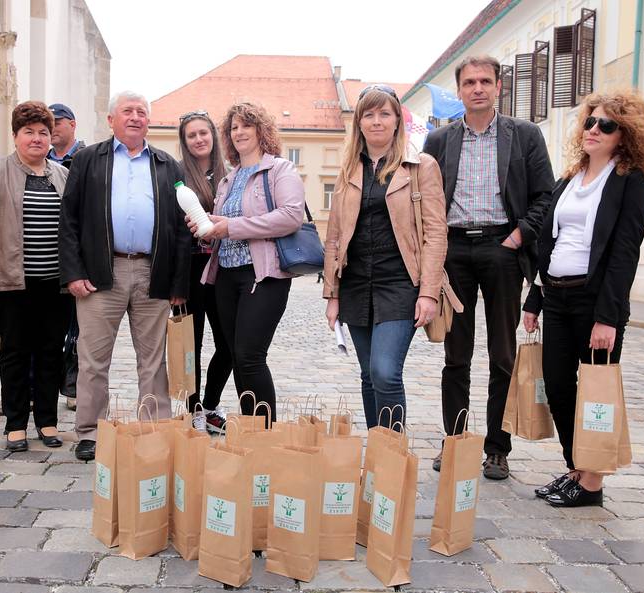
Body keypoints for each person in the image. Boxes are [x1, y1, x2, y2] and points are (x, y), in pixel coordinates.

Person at [522, 91, 644, 507]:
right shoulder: (569, 178)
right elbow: (550, 243)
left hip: (595, 301)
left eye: (606, 125)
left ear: (626, 135)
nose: (594, 130)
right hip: (558, 298)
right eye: (590, 122)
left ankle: (593, 482)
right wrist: (534, 300)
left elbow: (624, 254)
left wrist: (608, 318)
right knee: (559, 388)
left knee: (594, 393)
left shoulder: (631, 181)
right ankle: (575, 469)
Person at [422, 55, 554, 480]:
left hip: (502, 249)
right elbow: (424, 200)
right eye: (469, 82)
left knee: (502, 354)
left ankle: (498, 448)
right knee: (455, 355)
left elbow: (545, 197)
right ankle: (456, 442)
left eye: (485, 81)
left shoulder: (525, 135)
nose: (477, 88)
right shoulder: (439, 141)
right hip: (454, 252)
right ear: (459, 90)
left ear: (498, 86)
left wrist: (518, 236)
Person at [60, 91, 191, 461]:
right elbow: (68, 220)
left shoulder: (167, 165)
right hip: (102, 272)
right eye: (127, 111)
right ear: (111, 119)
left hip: (153, 272)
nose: (135, 117)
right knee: (93, 358)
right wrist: (73, 272)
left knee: (153, 360)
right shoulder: (87, 160)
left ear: (148, 121)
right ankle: (90, 432)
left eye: (142, 112)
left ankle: (154, 428)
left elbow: (182, 229)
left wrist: (178, 284)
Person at [323, 85, 447, 429]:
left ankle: (391, 455)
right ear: (359, 122)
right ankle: (380, 460)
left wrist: (429, 292)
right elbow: (334, 237)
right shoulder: (349, 170)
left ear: (397, 121)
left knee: (385, 372)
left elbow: (436, 233)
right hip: (356, 285)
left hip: (401, 284)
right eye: (369, 114)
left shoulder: (421, 166)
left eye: (384, 114)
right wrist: (332, 294)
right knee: (368, 375)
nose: (376, 121)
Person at [0, 101, 71, 452]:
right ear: (15, 136)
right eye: (29, 132)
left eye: (43, 132)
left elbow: (73, 231)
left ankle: (47, 421)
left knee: (51, 352)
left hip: (54, 285)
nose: (37, 138)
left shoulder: (62, 175)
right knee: (15, 353)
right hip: (11, 284)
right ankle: (15, 423)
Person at [190, 102, 304, 424]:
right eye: (233, 128)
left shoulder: (280, 169)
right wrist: (208, 224)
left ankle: (265, 435)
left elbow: (291, 216)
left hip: (263, 276)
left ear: (261, 130)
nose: (238, 132)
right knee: (238, 359)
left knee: (251, 357)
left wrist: (231, 226)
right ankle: (251, 431)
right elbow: (226, 224)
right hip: (226, 275)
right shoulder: (228, 179)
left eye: (246, 126)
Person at [176, 110, 234, 434]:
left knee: (230, 344)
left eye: (203, 133)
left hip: (225, 268)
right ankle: (195, 410)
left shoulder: (230, 174)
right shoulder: (178, 176)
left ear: (213, 135)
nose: (199, 139)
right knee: (191, 346)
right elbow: (170, 230)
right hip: (191, 271)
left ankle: (211, 403)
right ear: (185, 142)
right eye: (192, 135)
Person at [47, 102, 86, 411]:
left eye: (58, 121)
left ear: (72, 124)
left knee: (79, 329)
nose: (53, 127)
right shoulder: (37, 159)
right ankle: (40, 386)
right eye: (50, 122)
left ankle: (73, 386)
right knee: (46, 329)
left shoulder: (86, 158)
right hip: (44, 257)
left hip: (77, 256)